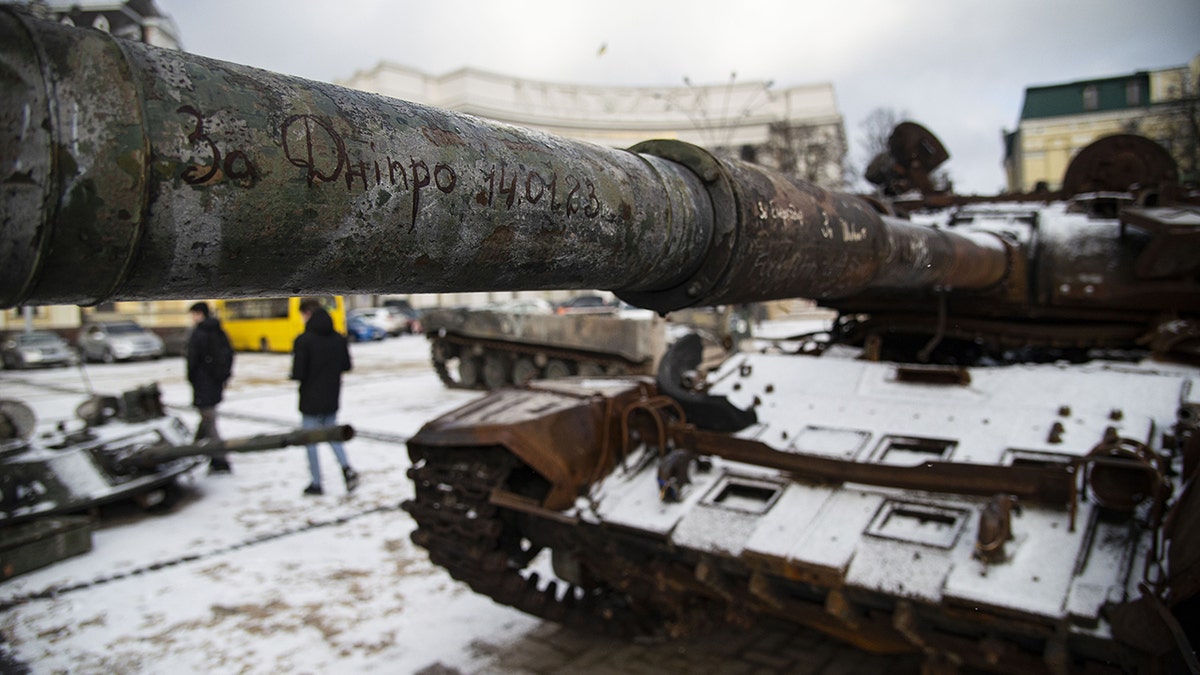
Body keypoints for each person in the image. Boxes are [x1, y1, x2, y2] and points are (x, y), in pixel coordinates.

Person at [291, 298, 358, 496]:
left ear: (307, 313)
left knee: (310, 439)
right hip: (332, 395)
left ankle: (316, 482)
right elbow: (346, 365)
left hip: (310, 397)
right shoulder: (338, 338)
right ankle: (347, 468)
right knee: (332, 434)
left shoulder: (304, 340)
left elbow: (298, 373)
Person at [186, 301, 234, 473]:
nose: (193, 318)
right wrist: (222, 376)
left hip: (203, 383)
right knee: (207, 417)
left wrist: (192, 378)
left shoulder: (199, 334)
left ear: (200, 314)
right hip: (215, 383)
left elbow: (192, 361)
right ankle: (194, 448)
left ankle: (220, 459)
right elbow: (228, 354)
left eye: (194, 314)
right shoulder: (219, 331)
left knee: (209, 420)